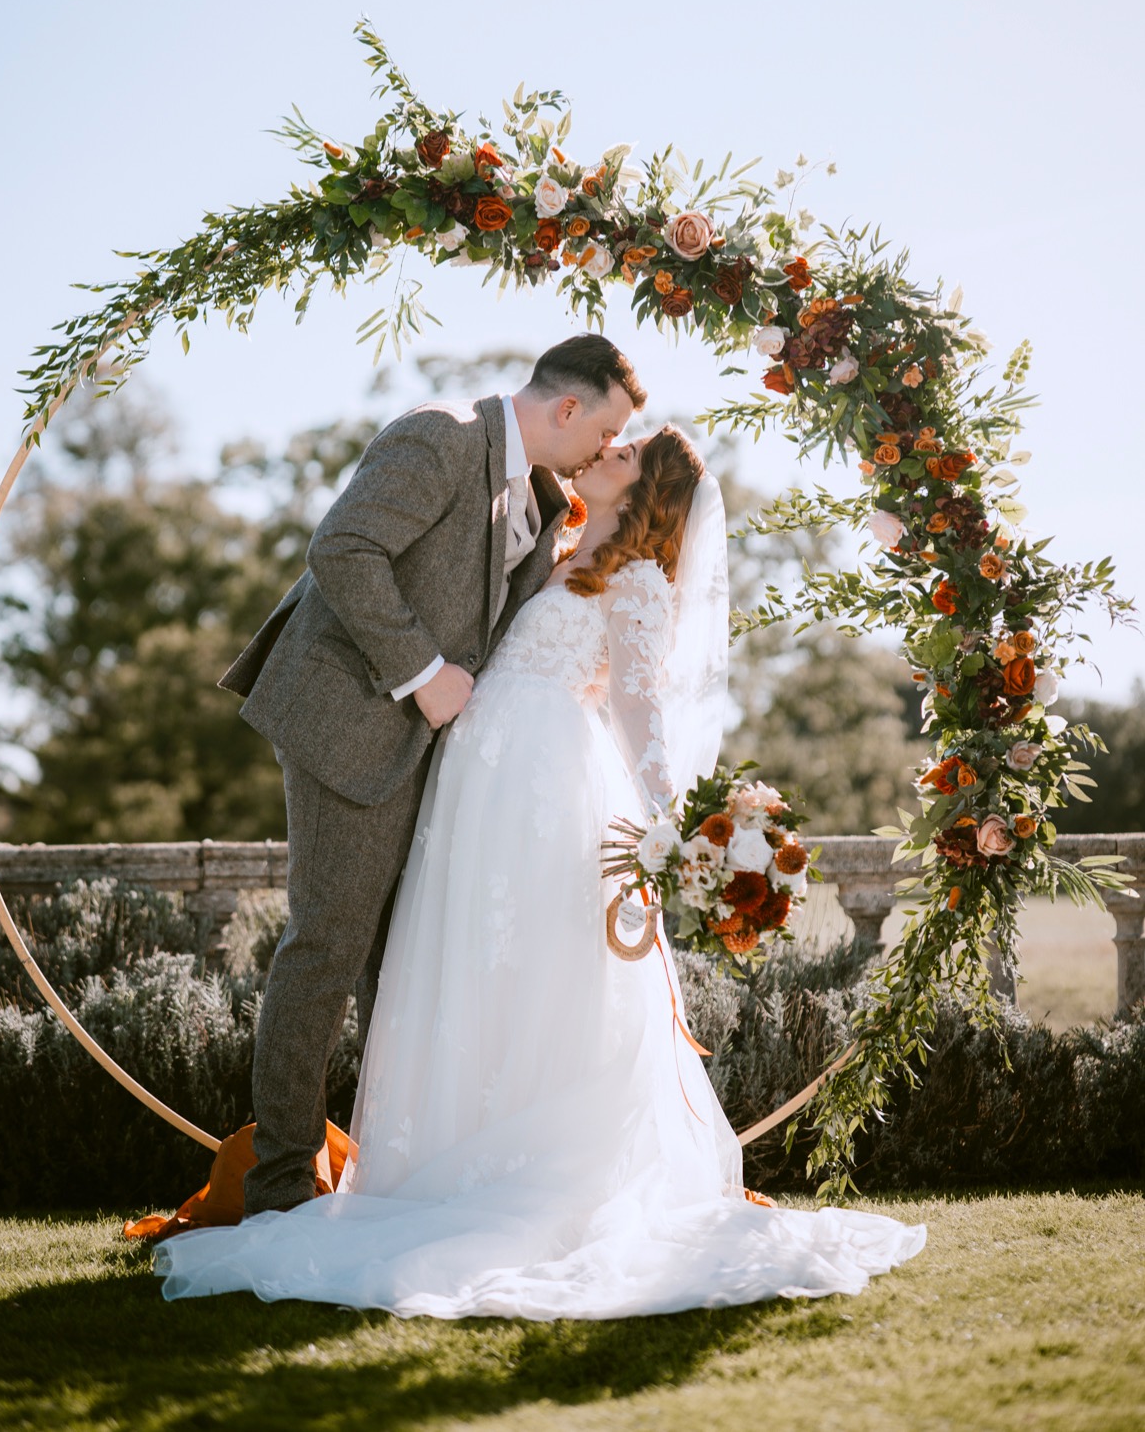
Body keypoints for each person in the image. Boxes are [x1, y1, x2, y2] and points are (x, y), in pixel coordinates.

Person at [158, 421, 927, 1316]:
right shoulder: (552, 547)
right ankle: (440, 1163)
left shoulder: (637, 581)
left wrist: (671, 823)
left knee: (541, 966)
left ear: (648, 495)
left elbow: (640, 708)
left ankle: (530, 1177)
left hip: (546, 780)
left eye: (628, 452)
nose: (609, 450)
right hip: (472, 781)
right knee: (464, 963)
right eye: (613, 438)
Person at [217, 334, 645, 1216]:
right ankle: (281, 1183)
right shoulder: (442, 435)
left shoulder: (540, 492)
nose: (605, 450)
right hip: (348, 719)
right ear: (567, 409)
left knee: (398, 960)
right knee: (327, 944)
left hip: (434, 755)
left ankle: (392, 1172)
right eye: (603, 430)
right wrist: (422, 671)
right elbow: (342, 549)